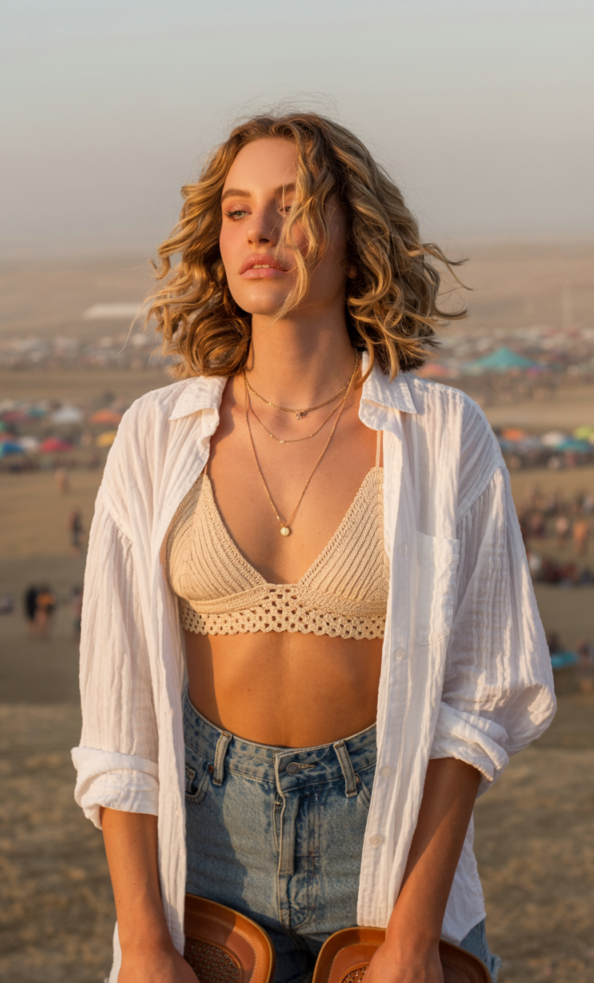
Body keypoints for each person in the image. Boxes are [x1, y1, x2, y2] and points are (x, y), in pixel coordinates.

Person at [72, 113, 555, 983]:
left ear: (351, 231)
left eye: (292, 206)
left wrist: (411, 938)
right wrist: (143, 939)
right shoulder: (155, 436)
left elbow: (480, 701)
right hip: (202, 873)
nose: (258, 230)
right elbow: (120, 719)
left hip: (387, 864)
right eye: (236, 210)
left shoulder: (443, 437)